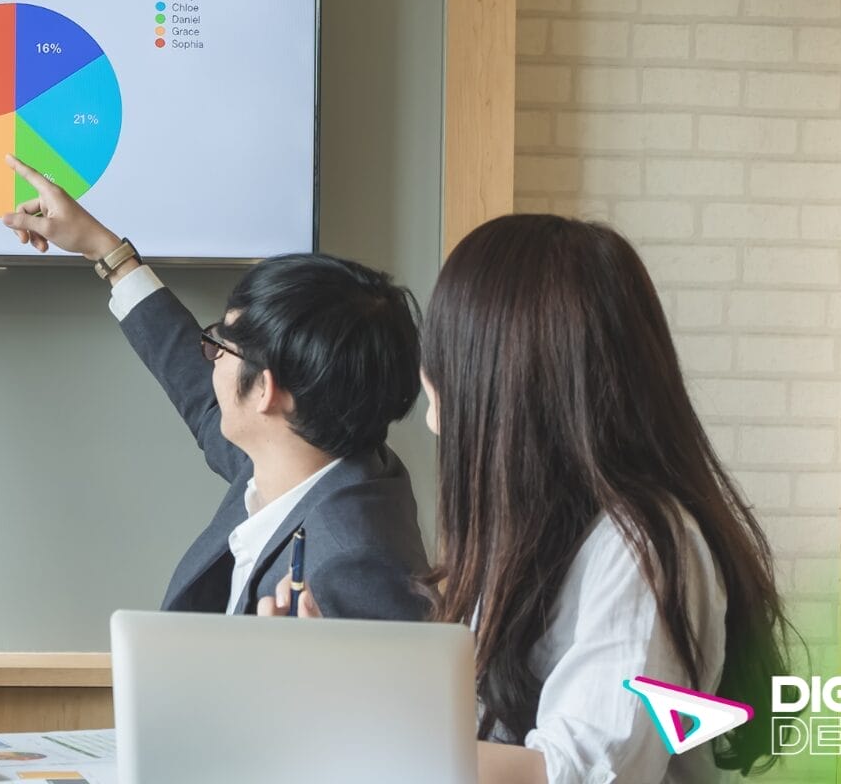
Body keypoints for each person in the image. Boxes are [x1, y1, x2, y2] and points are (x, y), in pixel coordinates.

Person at [262, 214, 793, 784]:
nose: (427, 375)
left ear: (499, 372)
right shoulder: (535, 532)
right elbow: (482, 731)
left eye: (445, 347)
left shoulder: (640, 547)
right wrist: (327, 680)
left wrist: (338, 722)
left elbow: (573, 773)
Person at [0, 156, 431, 621]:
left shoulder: (353, 563)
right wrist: (105, 251)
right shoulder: (306, 458)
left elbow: (382, 694)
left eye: (220, 345)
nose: (210, 359)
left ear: (266, 391)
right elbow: (200, 393)